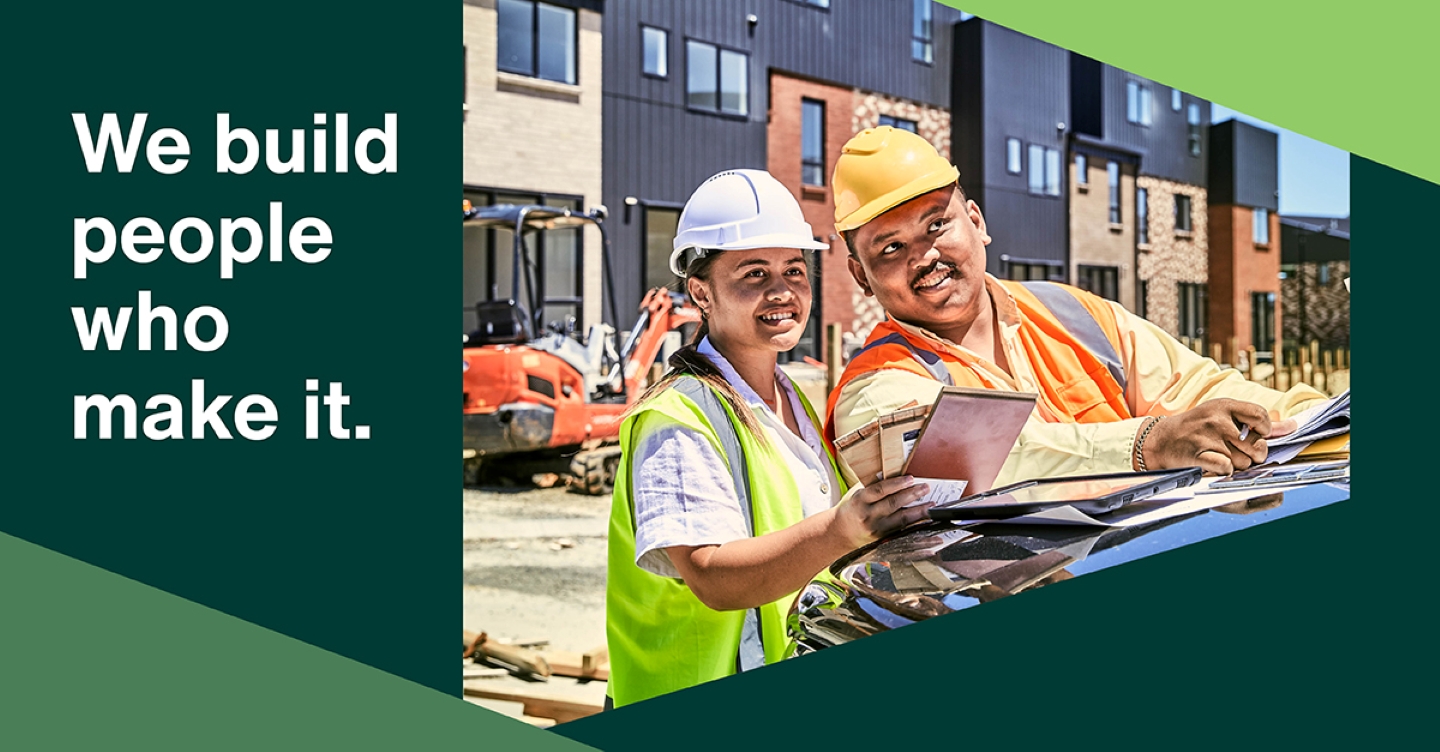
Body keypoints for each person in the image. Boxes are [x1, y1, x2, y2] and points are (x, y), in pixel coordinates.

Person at [824, 126, 1328, 483]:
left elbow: (1201, 388)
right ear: (859, 277)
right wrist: (1150, 442)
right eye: (889, 248)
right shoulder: (874, 391)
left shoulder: (1071, 313)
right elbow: (994, 460)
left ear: (975, 222)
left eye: (937, 224)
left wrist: (1319, 422)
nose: (925, 256)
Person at [605, 169, 934, 708]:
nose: (782, 291)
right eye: (754, 273)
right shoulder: (678, 417)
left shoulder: (790, 400)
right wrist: (843, 527)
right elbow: (713, 579)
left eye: (794, 270)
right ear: (700, 292)